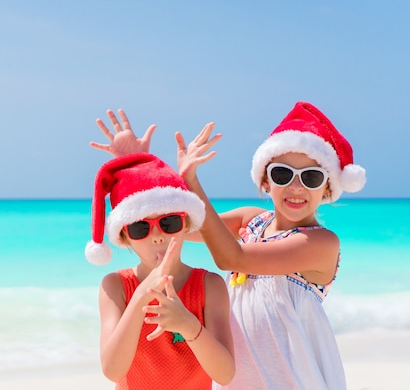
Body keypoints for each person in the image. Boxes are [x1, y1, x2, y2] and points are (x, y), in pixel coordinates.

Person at [91, 102, 366, 390]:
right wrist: (136, 168)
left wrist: (191, 180)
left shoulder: (320, 243)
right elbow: (179, 224)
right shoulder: (252, 221)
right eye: (282, 175)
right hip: (242, 380)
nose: (296, 187)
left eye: (311, 177)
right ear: (265, 180)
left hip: (294, 380)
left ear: (327, 188)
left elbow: (230, 257)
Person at [85, 152, 234, 389]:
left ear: (185, 225)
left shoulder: (210, 286)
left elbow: (225, 374)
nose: (156, 237)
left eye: (169, 223)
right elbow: (113, 370)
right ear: (124, 237)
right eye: (140, 227)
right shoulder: (116, 286)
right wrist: (142, 293)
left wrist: (188, 325)